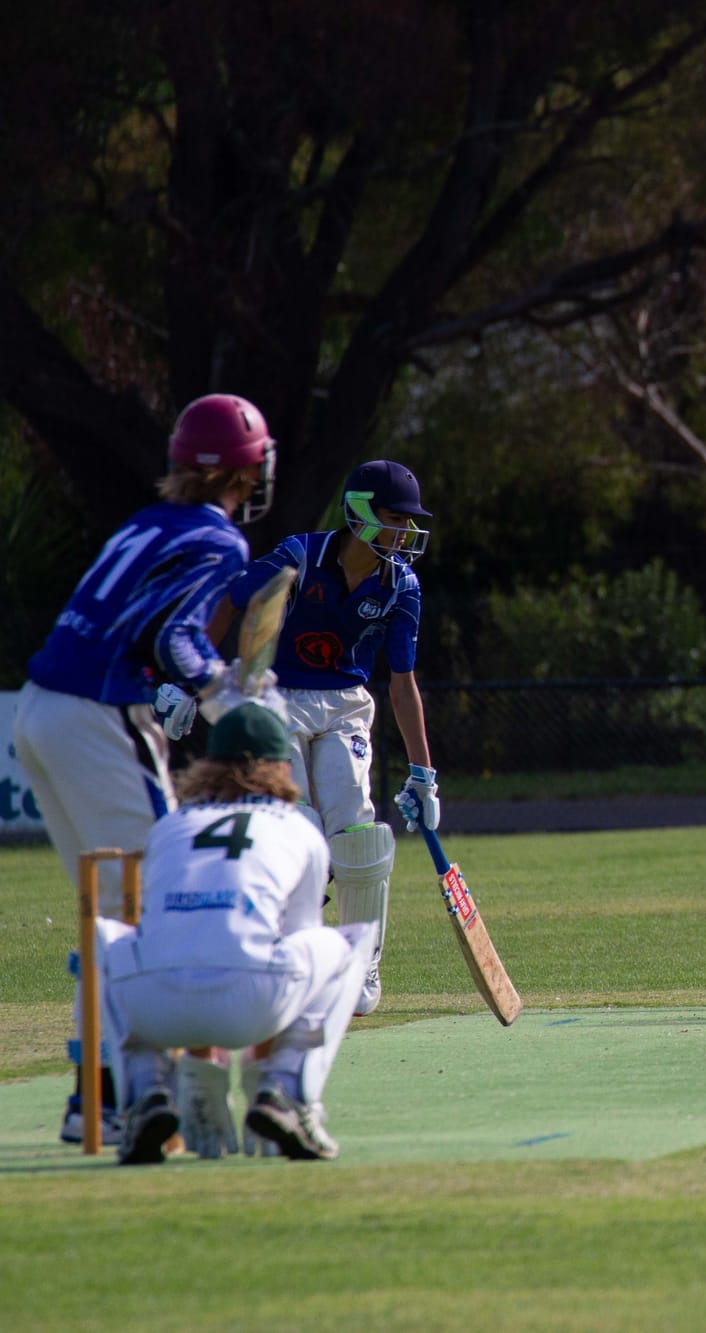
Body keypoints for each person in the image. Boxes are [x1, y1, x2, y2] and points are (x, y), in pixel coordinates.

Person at [14, 392, 277, 1145]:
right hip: (96, 716)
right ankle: (137, 1092)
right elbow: (174, 639)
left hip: (40, 710)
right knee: (162, 896)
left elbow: (142, 632)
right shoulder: (221, 541)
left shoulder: (144, 521)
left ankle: (93, 1097)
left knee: (114, 913)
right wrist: (231, 696)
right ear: (243, 471)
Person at [184, 459, 438, 1019]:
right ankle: (293, 958)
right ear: (360, 512)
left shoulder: (402, 584)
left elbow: (403, 684)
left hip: (348, 705)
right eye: (395, 518)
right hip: (280, 700)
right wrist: (192, 677)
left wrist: (423, 774)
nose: (404, 532)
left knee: (357, 830)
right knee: (296, 830)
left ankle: (360, 961)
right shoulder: (300, 555)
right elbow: (235, 600)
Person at [88, 702, 374, 1163]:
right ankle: (284, 1091)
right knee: (349, 943)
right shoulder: (299, 831)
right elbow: (291, 945)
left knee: (107, 938)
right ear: (282, 766)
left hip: (154, 1007)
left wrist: (205, 1067)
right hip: (255, 1001)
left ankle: (145, 1093)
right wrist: (257, 1067)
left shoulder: (170, 826)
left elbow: (182, 933)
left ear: (209, 763)